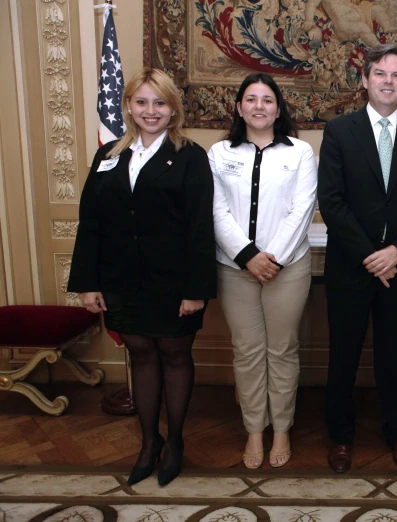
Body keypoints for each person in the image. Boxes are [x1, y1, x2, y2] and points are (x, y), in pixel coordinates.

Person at [68, 68, 216, 486]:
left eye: (160, 103)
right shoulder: (109, 156)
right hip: (120, 281)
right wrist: (88, 282)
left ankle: (176, 441)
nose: (150, 111)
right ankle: (149, 442)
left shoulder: (190, 155)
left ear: (173, 110)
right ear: (129, 106)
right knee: (142, 357)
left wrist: (195, 290)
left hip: (174, 284)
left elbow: (200, 227)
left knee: (173, 356)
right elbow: (90, 222)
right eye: (142, 102)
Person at [317, 43, 397, 473]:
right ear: (365, 79)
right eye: (380, 73)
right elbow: (331, 203)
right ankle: (341, 437)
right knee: (343, 355)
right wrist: (372, 255)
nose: (388, 81)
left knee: (394, 355)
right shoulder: (339, 132)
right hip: (352, 266)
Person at [209, 73, 317, 469]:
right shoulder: (219, 154)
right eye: (251, 99)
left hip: (286, 270)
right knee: (248, 352)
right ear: (239, 107)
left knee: (282, 350)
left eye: (267, 100)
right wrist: (246, 256)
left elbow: (301, 210)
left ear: (278, 108)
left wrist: (271, 259)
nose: (259, 106)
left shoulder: (300, 153)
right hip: (234, 270)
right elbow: (216, 211)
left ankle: (282, 428)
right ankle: (255, 430)